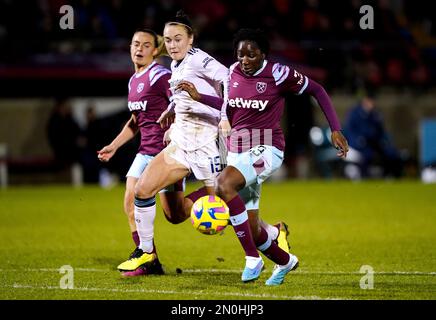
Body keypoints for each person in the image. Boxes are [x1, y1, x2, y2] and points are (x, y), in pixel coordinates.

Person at [178, 28, 348, 285]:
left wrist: (335, 128)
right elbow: (229, 108)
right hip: (238, 151)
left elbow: (318, 90)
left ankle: (252, 259)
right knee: (253, 230)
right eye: (241, 55)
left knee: (224, 184)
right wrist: (199, 97)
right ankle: (285, 261)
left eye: (252, 55)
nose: (245, 60)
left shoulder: (279, 74)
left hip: (267, 148)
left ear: (264, 54)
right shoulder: (233, 72)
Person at [97, 28, 204, 276]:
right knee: (130, 201)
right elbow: (136, 120)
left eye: (146, 45)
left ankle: (213, 193)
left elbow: (181, 103)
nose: (139, 49)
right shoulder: (133, 81)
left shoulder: (161, 76)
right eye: (136, 44)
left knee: (175, 214)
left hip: (167, 153)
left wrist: (177, 129)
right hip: (145, 152)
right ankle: (149, 260)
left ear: (155, 50)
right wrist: (114, 145)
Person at [343, 90, 403, 179]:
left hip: (373, 143)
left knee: (391, 153)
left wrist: (383, 141)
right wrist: (359, 141)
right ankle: (366, 176)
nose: (372, 103)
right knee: (367, 155)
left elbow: (380, 131)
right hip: (359, 145)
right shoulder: (354, 114)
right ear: (364, 101)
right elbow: (350, 131)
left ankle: (391, 176)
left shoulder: (375, 115)